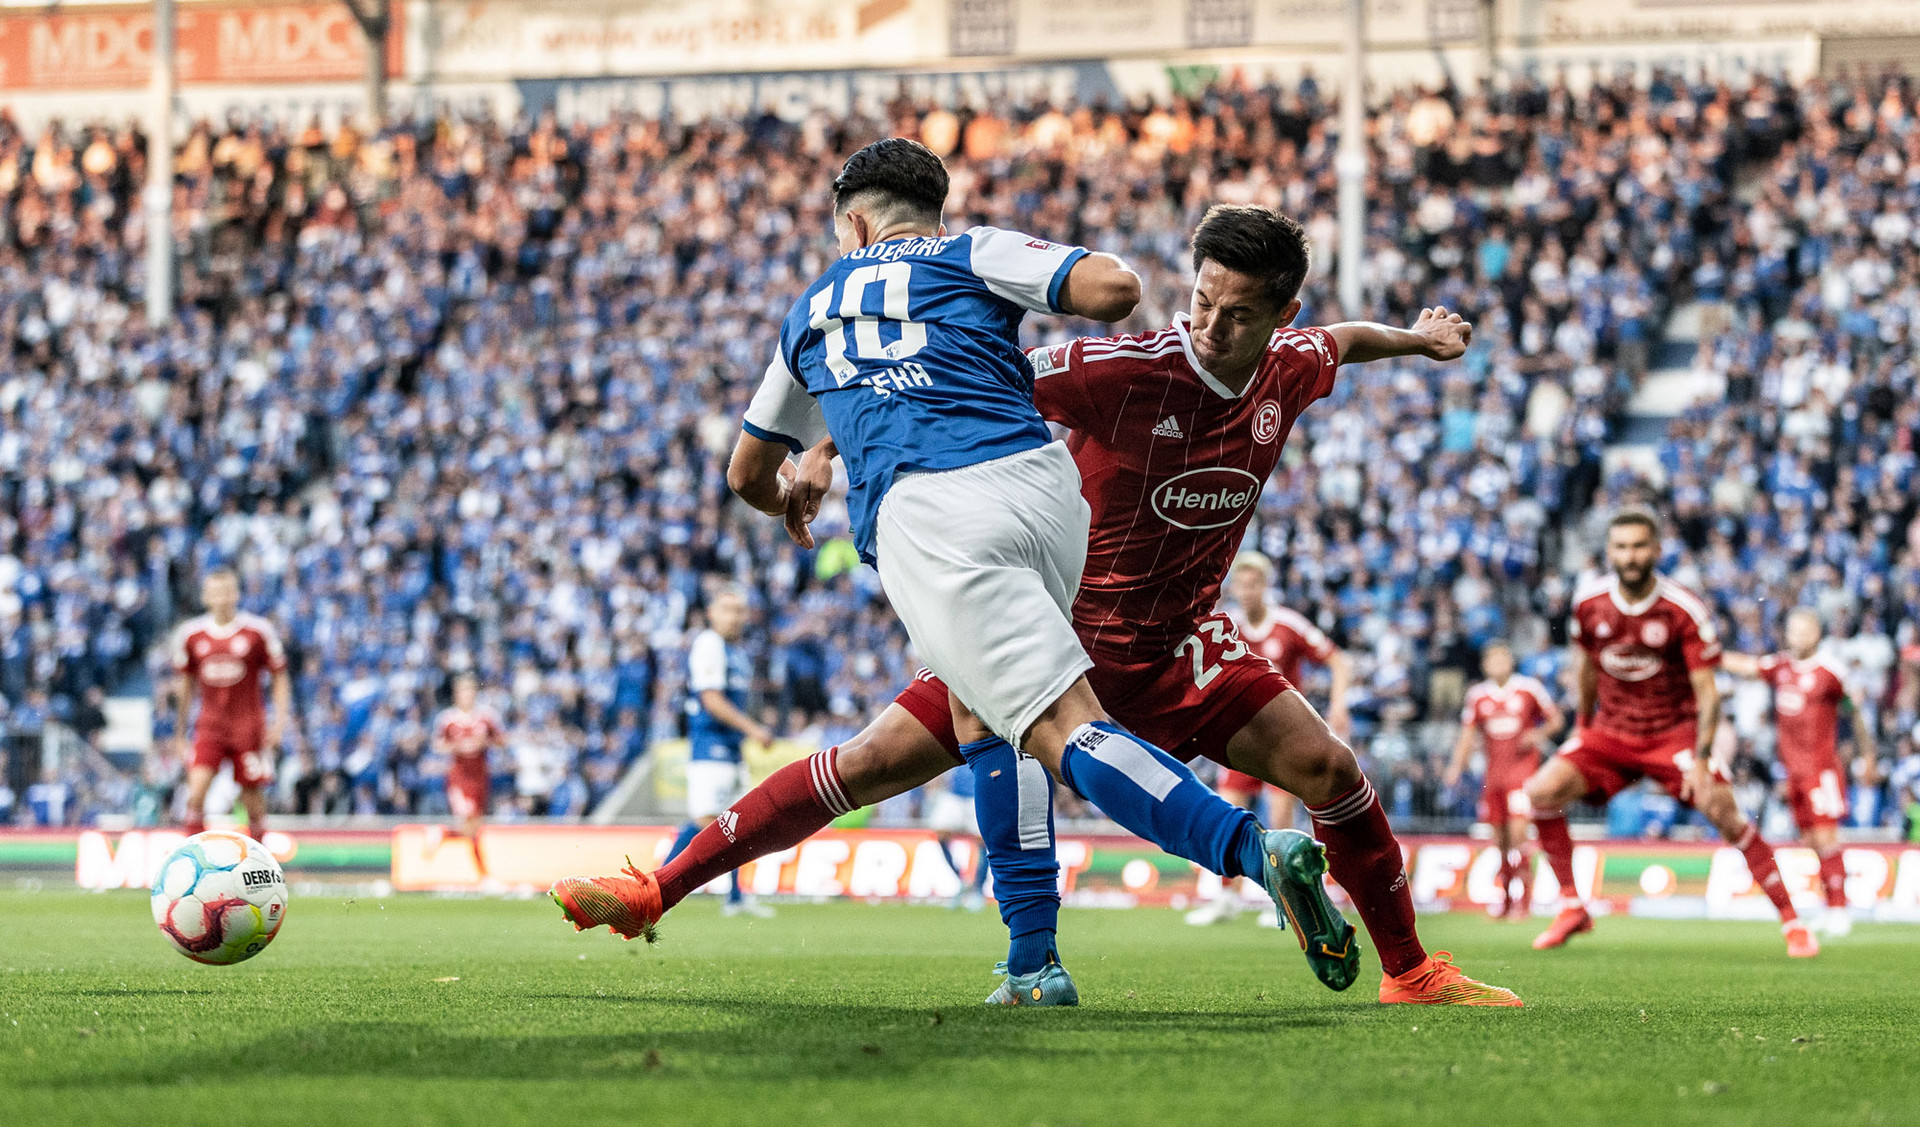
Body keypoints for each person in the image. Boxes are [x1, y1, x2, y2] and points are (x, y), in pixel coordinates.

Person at [555, 198, 1519, 1008]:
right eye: (1201, 298)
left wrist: (1418, 340)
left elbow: (1345, 341)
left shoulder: (1289, 366)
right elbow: (958, 393)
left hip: (1181, 642)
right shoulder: (1121, 368)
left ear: (1279, 313)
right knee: (864, 763)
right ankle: (659, 886)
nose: (1210, 325)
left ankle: (1412, 970)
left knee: (1330, 766)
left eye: (1236, 313)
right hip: (1059, 628)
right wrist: (826, 452)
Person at [1525, 509, 1818, 957]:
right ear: (1609, 552)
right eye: (1621, 547)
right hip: (1612, 732)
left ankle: (1792, 921)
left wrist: (1701, 760)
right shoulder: (1588, 604)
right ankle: (1571, 905)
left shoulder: (1683, 609)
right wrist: (1583, 726)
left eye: (1639, 546)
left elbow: (1709, 694)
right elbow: (1584, 669)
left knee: (1724, 811)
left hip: (1673, 736)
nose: (1630, 555)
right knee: (1542, 791)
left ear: (1657, 550)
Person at [1184, 551, 1354, 926]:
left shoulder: (1288, 625)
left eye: (1252, 583)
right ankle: (1225, 897)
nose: (1246, 591)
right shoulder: (1226, 626)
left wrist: (1338, 707)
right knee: (1227, 812)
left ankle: (1286, 900)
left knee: (1280, 819)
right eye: (1240, 584)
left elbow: (1339, 661)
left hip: (1284, 740)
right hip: (1240, 737)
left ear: (1264, 585)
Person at [1720, 608, 1878, 938]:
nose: (1799, 636)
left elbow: (1857, 709)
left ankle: (1839, 910)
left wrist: (1868, 756)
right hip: (1793, 772)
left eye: (1805, 630)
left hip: (1821, 771)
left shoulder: (1830, 671)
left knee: (1826, 838)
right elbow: (1749, 666)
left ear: (1817, 633)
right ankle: (1829, 906)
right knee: (1809, 840)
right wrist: (1709, 654)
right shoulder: (1781, 667)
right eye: (1793, 630)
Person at [169, 568, 291, 843]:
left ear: (236, 594)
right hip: (209, 726)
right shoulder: (192, 636)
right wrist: (179, 733)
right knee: (195, 794)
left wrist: (279, 722)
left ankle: (259, 864)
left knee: (252, 800)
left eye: (227, 592)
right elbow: (186, 686)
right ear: (205, 597)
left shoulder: (257, 632)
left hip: (248, 726)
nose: (222, 598)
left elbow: (280, 676)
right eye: (215, 593)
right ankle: (194, 860)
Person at [1443, 640, 1561, 919]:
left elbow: (1555, 720)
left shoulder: (1528, 689)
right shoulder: (1478, 696)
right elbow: (1468, 735)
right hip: (1493, 777)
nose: (1497, 665)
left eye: (1502, 659)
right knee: (1500, 841)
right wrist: (1455, 767)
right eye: (1492, 660)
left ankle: (1526, 902)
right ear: (1485, 665)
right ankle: (1506, 900)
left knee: (1520, 835)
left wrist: (1538, 735)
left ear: (1510, 661)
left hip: (1522, 774)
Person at [677, 589, 776, 918]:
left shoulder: (737, 651)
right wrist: (754, 729)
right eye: (728, 609)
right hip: (710, 744)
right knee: (706, 821)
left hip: (731, 747)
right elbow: (712, 700)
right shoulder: (709, 644)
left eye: (740, 610)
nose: (735, 616)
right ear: (711, 612)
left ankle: (735, 897)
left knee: (738, 823)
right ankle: (653, 888)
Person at [429, 672, 505, 876]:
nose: (467, 695)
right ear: (456, 694)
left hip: (480, 776)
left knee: (474, 827)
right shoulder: (448, 719)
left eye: (470, 690)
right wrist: (457, 746)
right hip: (459, 777)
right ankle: (483, 873)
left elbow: (502, 740)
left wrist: (484, 743)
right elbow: (437, 745)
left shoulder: (486, 716)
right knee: (468, 823)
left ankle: (443, 835)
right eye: (463, 691)